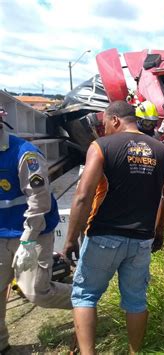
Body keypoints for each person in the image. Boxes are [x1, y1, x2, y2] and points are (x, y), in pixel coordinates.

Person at [63, 101, 164, 355]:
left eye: (104, 124)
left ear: (115, 120)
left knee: (84, 295)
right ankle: (134, 352)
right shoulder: (163, 151)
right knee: (135, 300)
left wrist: (70, 239)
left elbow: (83, 195)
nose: (103, 129)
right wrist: (158, 231)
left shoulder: (101, 147)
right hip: (141, 240)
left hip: (104, 235)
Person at [0, 105, 72, 354]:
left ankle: (85, 300)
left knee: (36, 292)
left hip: (33, 231)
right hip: (1, 233)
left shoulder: (24, 155)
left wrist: (27, 242)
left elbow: (39, 201)